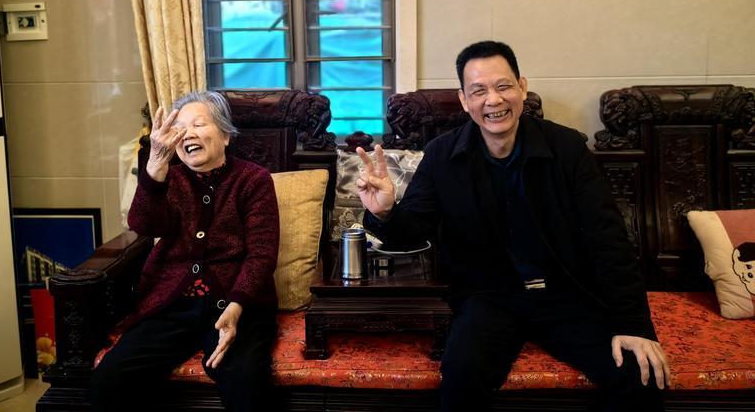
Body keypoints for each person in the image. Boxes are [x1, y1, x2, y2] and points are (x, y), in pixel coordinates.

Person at [357, 41, 670, 412]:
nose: (493, 100)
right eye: (479, 91)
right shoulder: (442, 155)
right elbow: (413, 232)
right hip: (489, 298)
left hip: (566, 295)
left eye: (503, 86)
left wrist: (633, 324)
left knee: (638, 374)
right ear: (464, 100)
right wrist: (386, 212)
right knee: (461, 376)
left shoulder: (567, 148)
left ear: (522, 88)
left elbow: (610, 240)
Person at [90, 91, 279, 412]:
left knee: (245, 380)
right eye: (180, 128)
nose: (188, 134)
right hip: (172, 305)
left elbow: (261, 253)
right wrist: (156, 164)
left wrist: (236, 307)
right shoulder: (169, 179)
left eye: (199, 124)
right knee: (109, 381)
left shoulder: (253, 180)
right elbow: (142, 224)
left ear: (225, 135)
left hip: (235, 305)